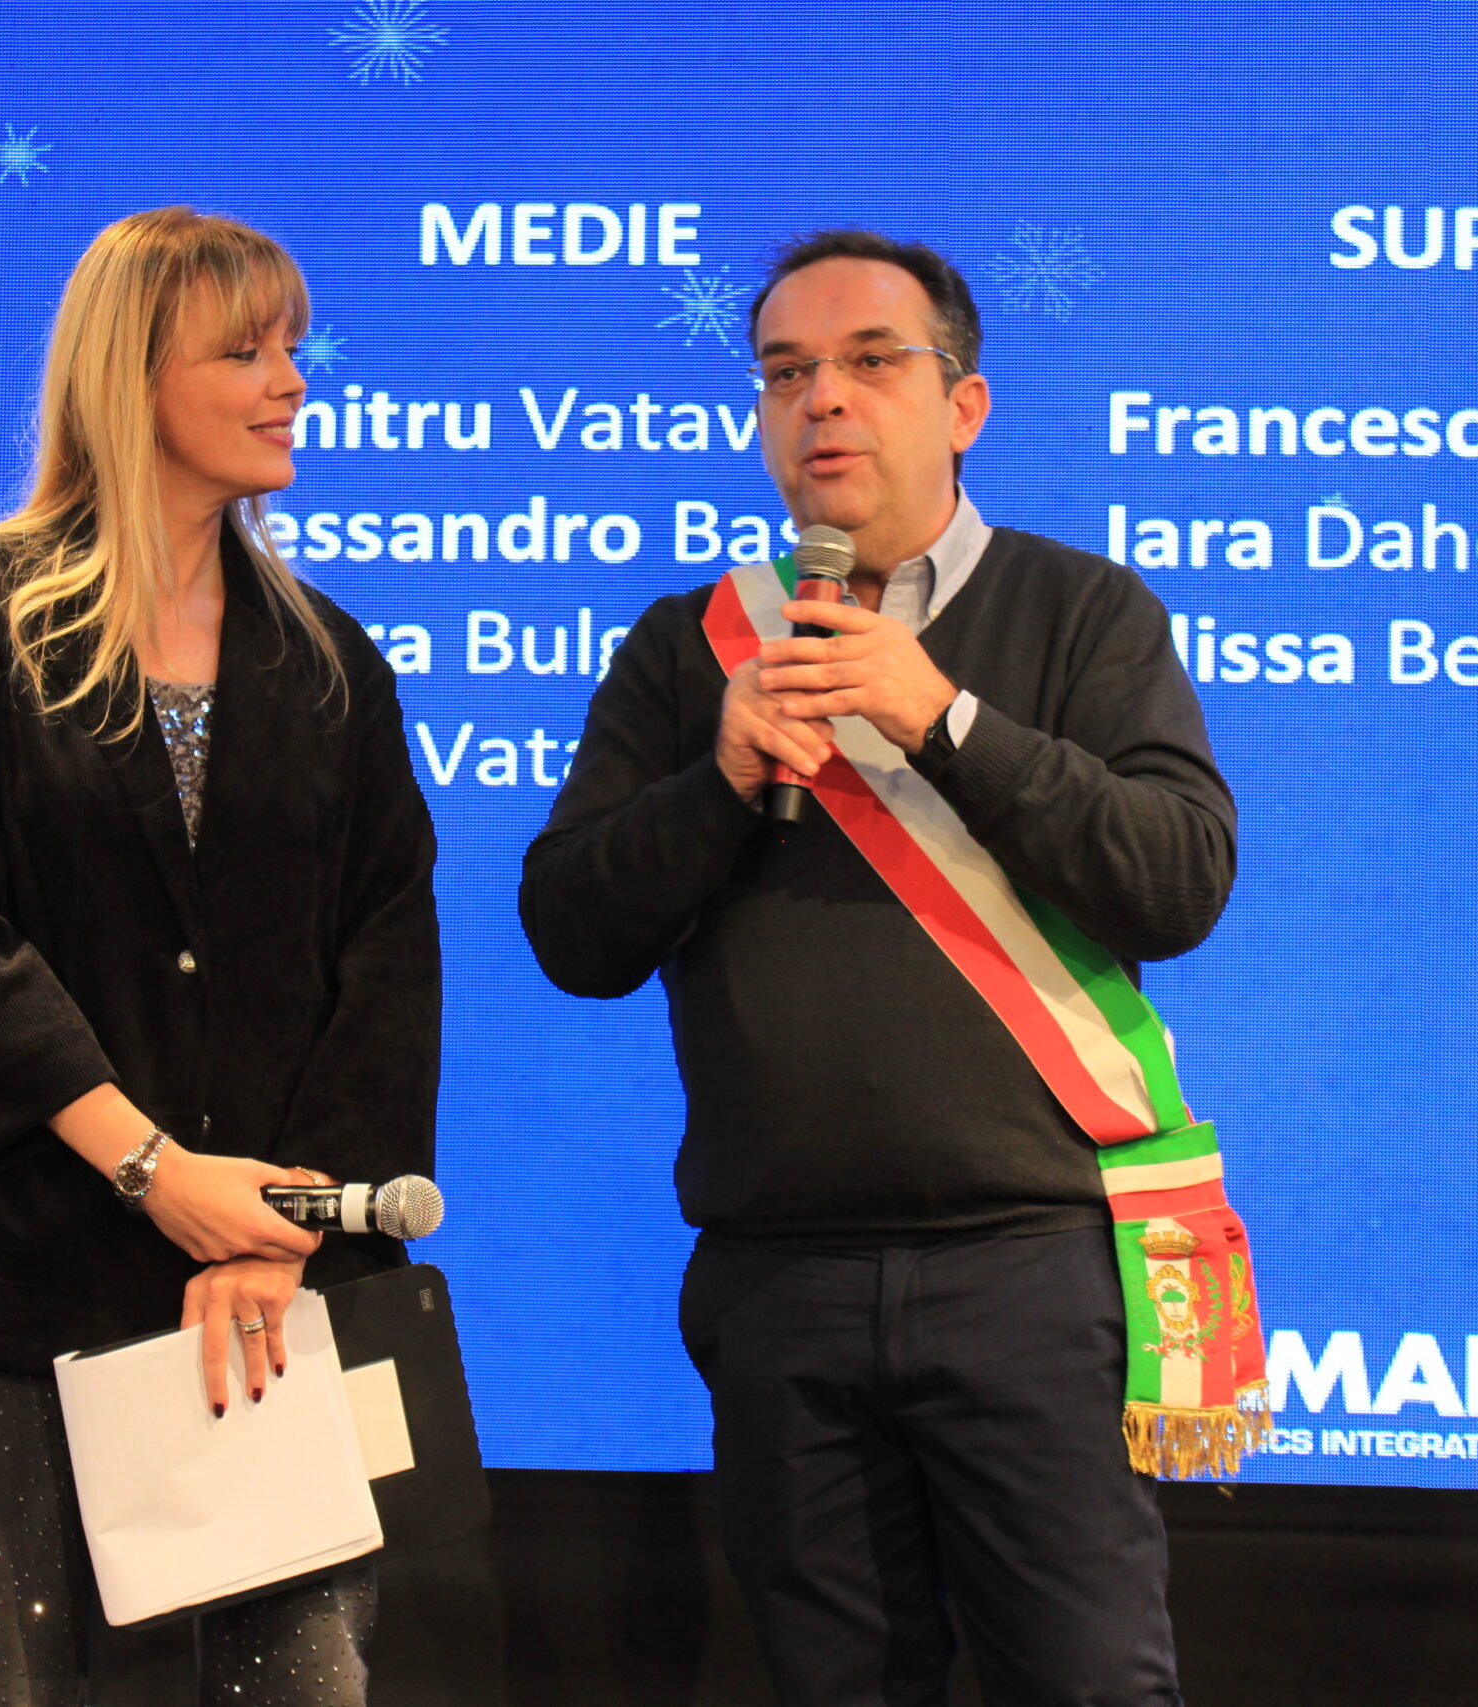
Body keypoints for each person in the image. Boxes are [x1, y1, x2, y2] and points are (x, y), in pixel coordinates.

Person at [519, 230, 1238, 1707]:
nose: (822, 400)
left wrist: (946, 722)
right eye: (785, 373)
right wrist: (719, 780)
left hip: (1029, 1268)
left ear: (964, 405)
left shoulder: (1084, 611)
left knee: (1088, 1688)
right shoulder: (690, 648)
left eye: (868, 362)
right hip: (780, 1279)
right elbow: (572, 936)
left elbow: (1176, 882)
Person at [0, 206, 439, 1707]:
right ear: (130, 377)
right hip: (14, 1264)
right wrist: (155, 1173)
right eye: (245, 351)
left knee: (301, 1678)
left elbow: (389, 958)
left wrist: (271, 1225)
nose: (291, 380)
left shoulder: (330, 659)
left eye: (293, 347)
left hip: (272, 1282)